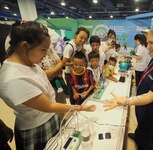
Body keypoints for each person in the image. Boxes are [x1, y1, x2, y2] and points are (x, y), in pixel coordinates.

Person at [0, 21, 96, 150]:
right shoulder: (13, 77)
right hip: (36, 128)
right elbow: (49, 106)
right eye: (43, 50)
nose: (46, 54)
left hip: (49, 118)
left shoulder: (29, 62)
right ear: (24, 45)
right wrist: (80, 108)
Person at [103, 24, 153, 150]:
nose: (148, 47)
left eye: (152, 43)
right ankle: (138, 135)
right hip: (143, 107)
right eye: (148, 42)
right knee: (141, 129)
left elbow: (151, 96)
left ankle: (142, 140)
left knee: (146, 138)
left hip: (151, 111)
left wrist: (126, 100)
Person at [62, 27, 90, 103]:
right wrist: (74, 64)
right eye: (81, 37)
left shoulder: (80, 46)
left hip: (78, 73)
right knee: (72, 94)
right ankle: (74, 109)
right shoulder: (69, 47)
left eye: (85, 39)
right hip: (70, 74)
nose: (83, 40)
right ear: (75, 35)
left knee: (79, 92)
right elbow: (63, 63)